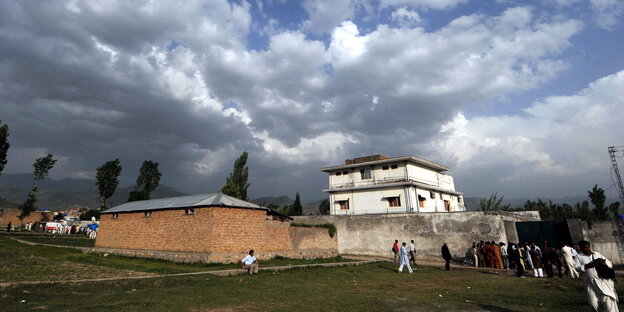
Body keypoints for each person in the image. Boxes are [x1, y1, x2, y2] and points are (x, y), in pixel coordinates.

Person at [575, 240, 619, 312]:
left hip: (603, 281)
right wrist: (587, 266)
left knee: (608, 299)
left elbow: (610, 264)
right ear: (581, 248)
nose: (587, 249)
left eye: (588, 247)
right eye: (585, 248)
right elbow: (576, 268)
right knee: (594, 303)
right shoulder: (578, 257)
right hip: (590, 283)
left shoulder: (596, 254)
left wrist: (603, 263)